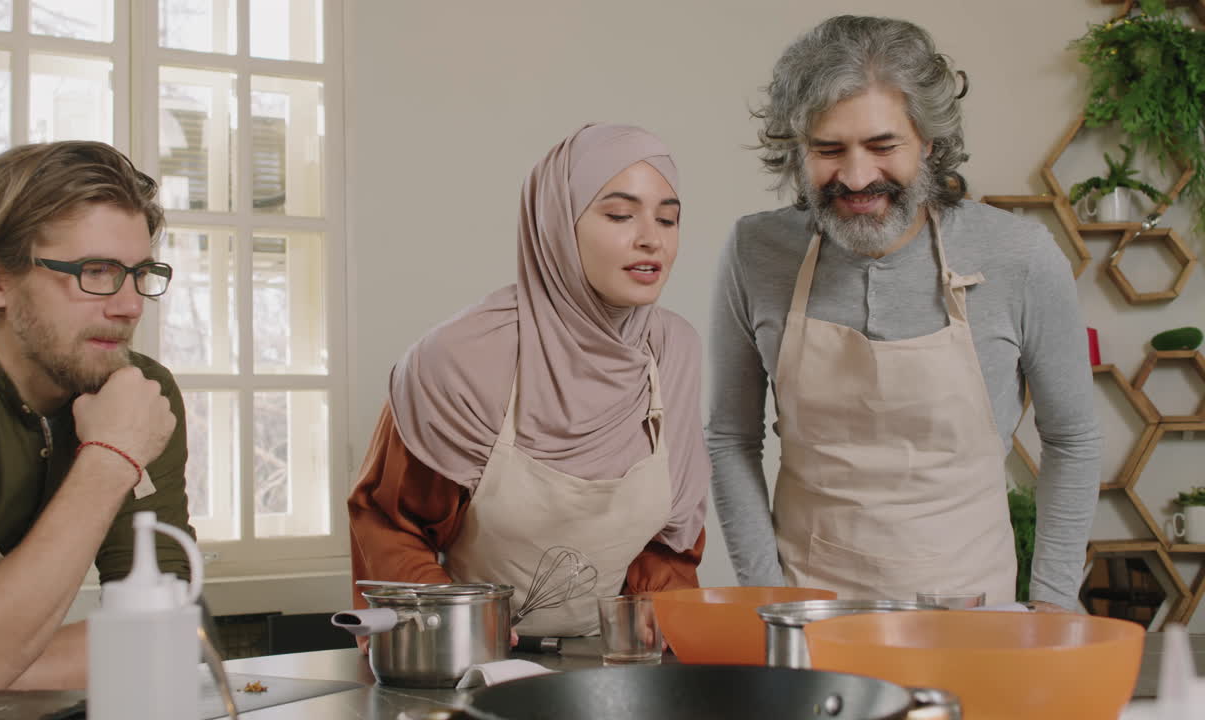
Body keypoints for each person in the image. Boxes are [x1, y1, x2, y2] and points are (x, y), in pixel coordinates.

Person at [707, 16, 1101, 610]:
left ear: (931, 143)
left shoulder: (1020, 257)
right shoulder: (755, 252)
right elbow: (730, 438)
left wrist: (1050, 605)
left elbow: (1071, 438)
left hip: (973, 616)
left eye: (884, 145)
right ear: (796, 149)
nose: (858, 176)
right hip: (808, 615)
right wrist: (768, 598)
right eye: (828, 149)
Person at [349, 123, 709, 638]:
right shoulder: (460, 358)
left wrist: (658, 605)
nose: (651, 238)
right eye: (620, 214)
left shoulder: (674, 351)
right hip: (463, 665)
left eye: (668, 219)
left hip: (610, 668)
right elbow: (388, 527)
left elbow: (666, 542)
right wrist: (451, 622)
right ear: (558, 225)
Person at [0, 141, 195, 699]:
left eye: (140, 273)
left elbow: (167, 638)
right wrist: (111, 457)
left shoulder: (139, 393)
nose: (129, 306)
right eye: (95, 271)